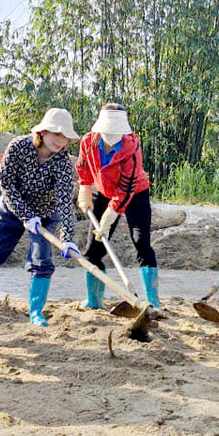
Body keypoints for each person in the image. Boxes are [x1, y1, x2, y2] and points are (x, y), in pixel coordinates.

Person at [0, 108, 81, 327]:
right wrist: (26, 215)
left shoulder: (63, 164)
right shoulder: (18, 147)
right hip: (11, 208)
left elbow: (66, 200)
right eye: (56, 134)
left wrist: (68, 237)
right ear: (43, 132)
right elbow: (6, 183)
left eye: (65, 137)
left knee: (42, 261)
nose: (60, 141)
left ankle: (36, 312)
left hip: (46, 215)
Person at [74, 103, 161, 312]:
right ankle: (94, 301)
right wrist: (84, 190)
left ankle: (153, 302)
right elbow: (84, 168)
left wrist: (109, 217)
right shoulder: (88, 142)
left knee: (141, 242)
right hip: (104, 192)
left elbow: (126, 188)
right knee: (94, 247)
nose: (111, 136)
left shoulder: (132, 148)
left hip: (135, 193)